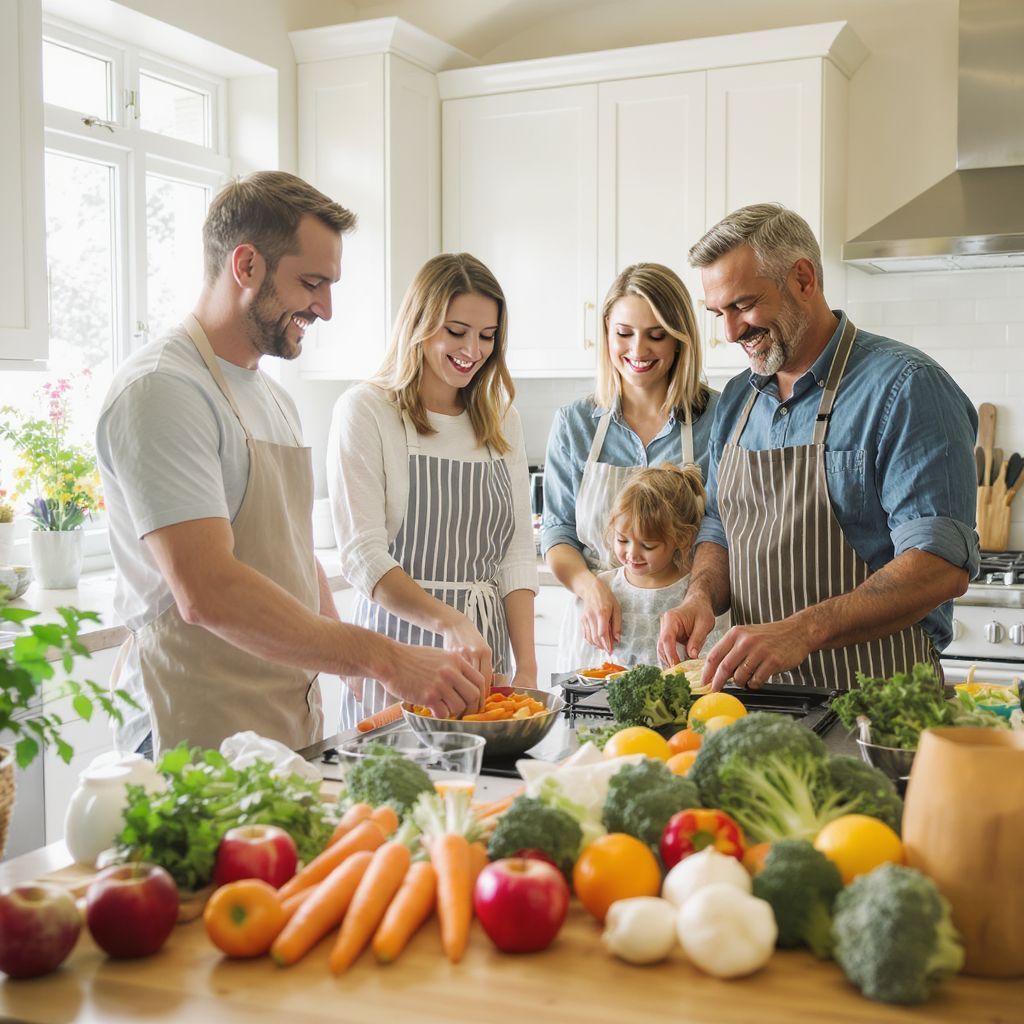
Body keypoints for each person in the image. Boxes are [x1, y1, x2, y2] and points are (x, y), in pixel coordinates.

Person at [97, 172, 486, 758]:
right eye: (312, 282)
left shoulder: (272, 397)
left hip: (282, 718)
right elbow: (208, 590)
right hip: (194, 724)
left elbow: (291, 553)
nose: (325, 308)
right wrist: (384, 656)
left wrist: (357, 675)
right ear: (246, 265)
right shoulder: (163, 390)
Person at [657, 203, 979, 691]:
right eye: (718, 313)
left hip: (879, 702)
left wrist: (803, 631)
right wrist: (700, 596)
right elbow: (720, 526)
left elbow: (940, 567)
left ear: (803, 279)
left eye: (743, 305)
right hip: (757, 706)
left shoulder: (907, 388)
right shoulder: (739, 400)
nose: (730, 332)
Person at [327, 253, 537, 730]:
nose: (473, 349)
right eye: (456, 331)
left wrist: (525, 666)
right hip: (399, 654)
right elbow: (363, 557)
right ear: (419, 325)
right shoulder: (366, 410)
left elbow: (517, 553)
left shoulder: (502, 420)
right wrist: (449, 623)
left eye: (487, 336)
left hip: (485, 655)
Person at [541, 263, 718, 667]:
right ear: (605, 333)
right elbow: (558, 534)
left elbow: (721, 529)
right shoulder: (576, 423)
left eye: (656, 336)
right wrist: (591, 588)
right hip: (599, 632)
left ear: (680, 340)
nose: (638, 351)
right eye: (624, 334)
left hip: (690, 631)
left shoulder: (719, 418)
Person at [560, 464, 727, 671]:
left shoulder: (697, 593)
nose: (632, 554)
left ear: (683, 539)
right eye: (622, 540)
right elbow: (587, 663)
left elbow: (710, 659)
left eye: (648, 545)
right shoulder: (605, 587)